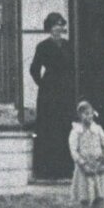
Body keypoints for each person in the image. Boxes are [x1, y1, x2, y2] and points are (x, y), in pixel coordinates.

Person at [27, 11, 76, 183]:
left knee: (64, 127)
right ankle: (47, 171)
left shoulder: (69, 45)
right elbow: (34, 69)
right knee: (49, 128)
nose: (58, 29)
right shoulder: (43, 46)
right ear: (49, 28)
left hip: (65, 91)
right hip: (49, 93)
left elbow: (73, 68)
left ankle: (65, 170)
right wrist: (43, 84)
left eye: (61, 26)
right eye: (55, 26)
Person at [70, 101, 104, 208]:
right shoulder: (76, 131)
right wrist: (82, 163)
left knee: (99, 195)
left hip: (97, 166)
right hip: (84, 168)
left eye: (91, 113)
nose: (89, 116)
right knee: (86, 197)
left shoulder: (98, 129)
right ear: (80, 115)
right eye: (86, 114)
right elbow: (74, 150)